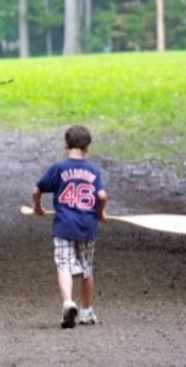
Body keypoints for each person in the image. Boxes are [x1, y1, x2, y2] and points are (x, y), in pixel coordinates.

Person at [32, 126, 109, 329]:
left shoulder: (59, 167)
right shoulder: (93, 170)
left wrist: (38, 207)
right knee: (86, 268)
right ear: (88, 148)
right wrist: (100, 212)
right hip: (87, 226)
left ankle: (68, 302)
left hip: (64, 225)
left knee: (64, 264)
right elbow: (101, 196)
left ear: (65, 144)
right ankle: (86, 311)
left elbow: (36, 190)